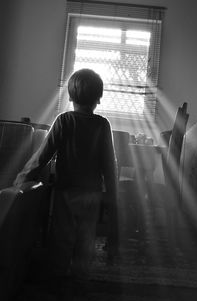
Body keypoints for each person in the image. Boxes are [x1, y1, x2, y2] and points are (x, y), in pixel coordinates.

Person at [14, 68, 119, 282]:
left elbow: (42, 155)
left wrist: (22, 177)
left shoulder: (64, 121)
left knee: (62, 236)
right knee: (86, 237)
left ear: (70, 96)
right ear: (98, 98)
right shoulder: (103, 124)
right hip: (92, 193)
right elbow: (109, 164)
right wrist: (112, 193)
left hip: (66, 192)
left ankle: (57, 276)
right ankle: (81, 278)